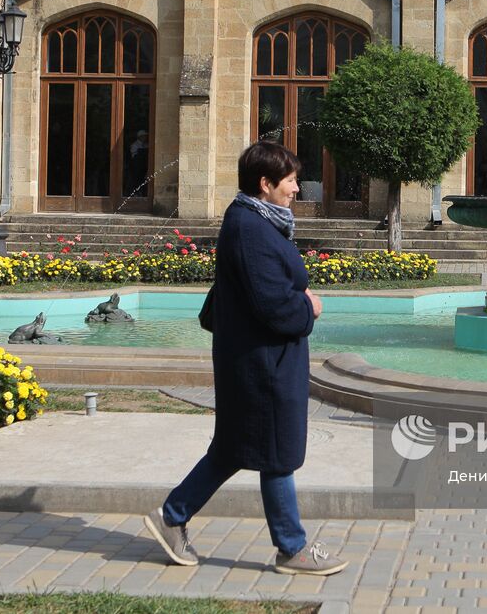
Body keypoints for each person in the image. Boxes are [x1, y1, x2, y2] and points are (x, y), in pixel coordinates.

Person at [145, 140, 348, 576]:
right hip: (263, 366)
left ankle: (173, 515)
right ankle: (291, 549)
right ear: (265, 183)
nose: (297, 189)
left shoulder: (254, 221)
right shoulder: (250, 228)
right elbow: (271, 305)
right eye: (291, 181)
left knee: (234, 449)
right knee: (275, 454)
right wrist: (307, 307)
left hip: (258, 362)